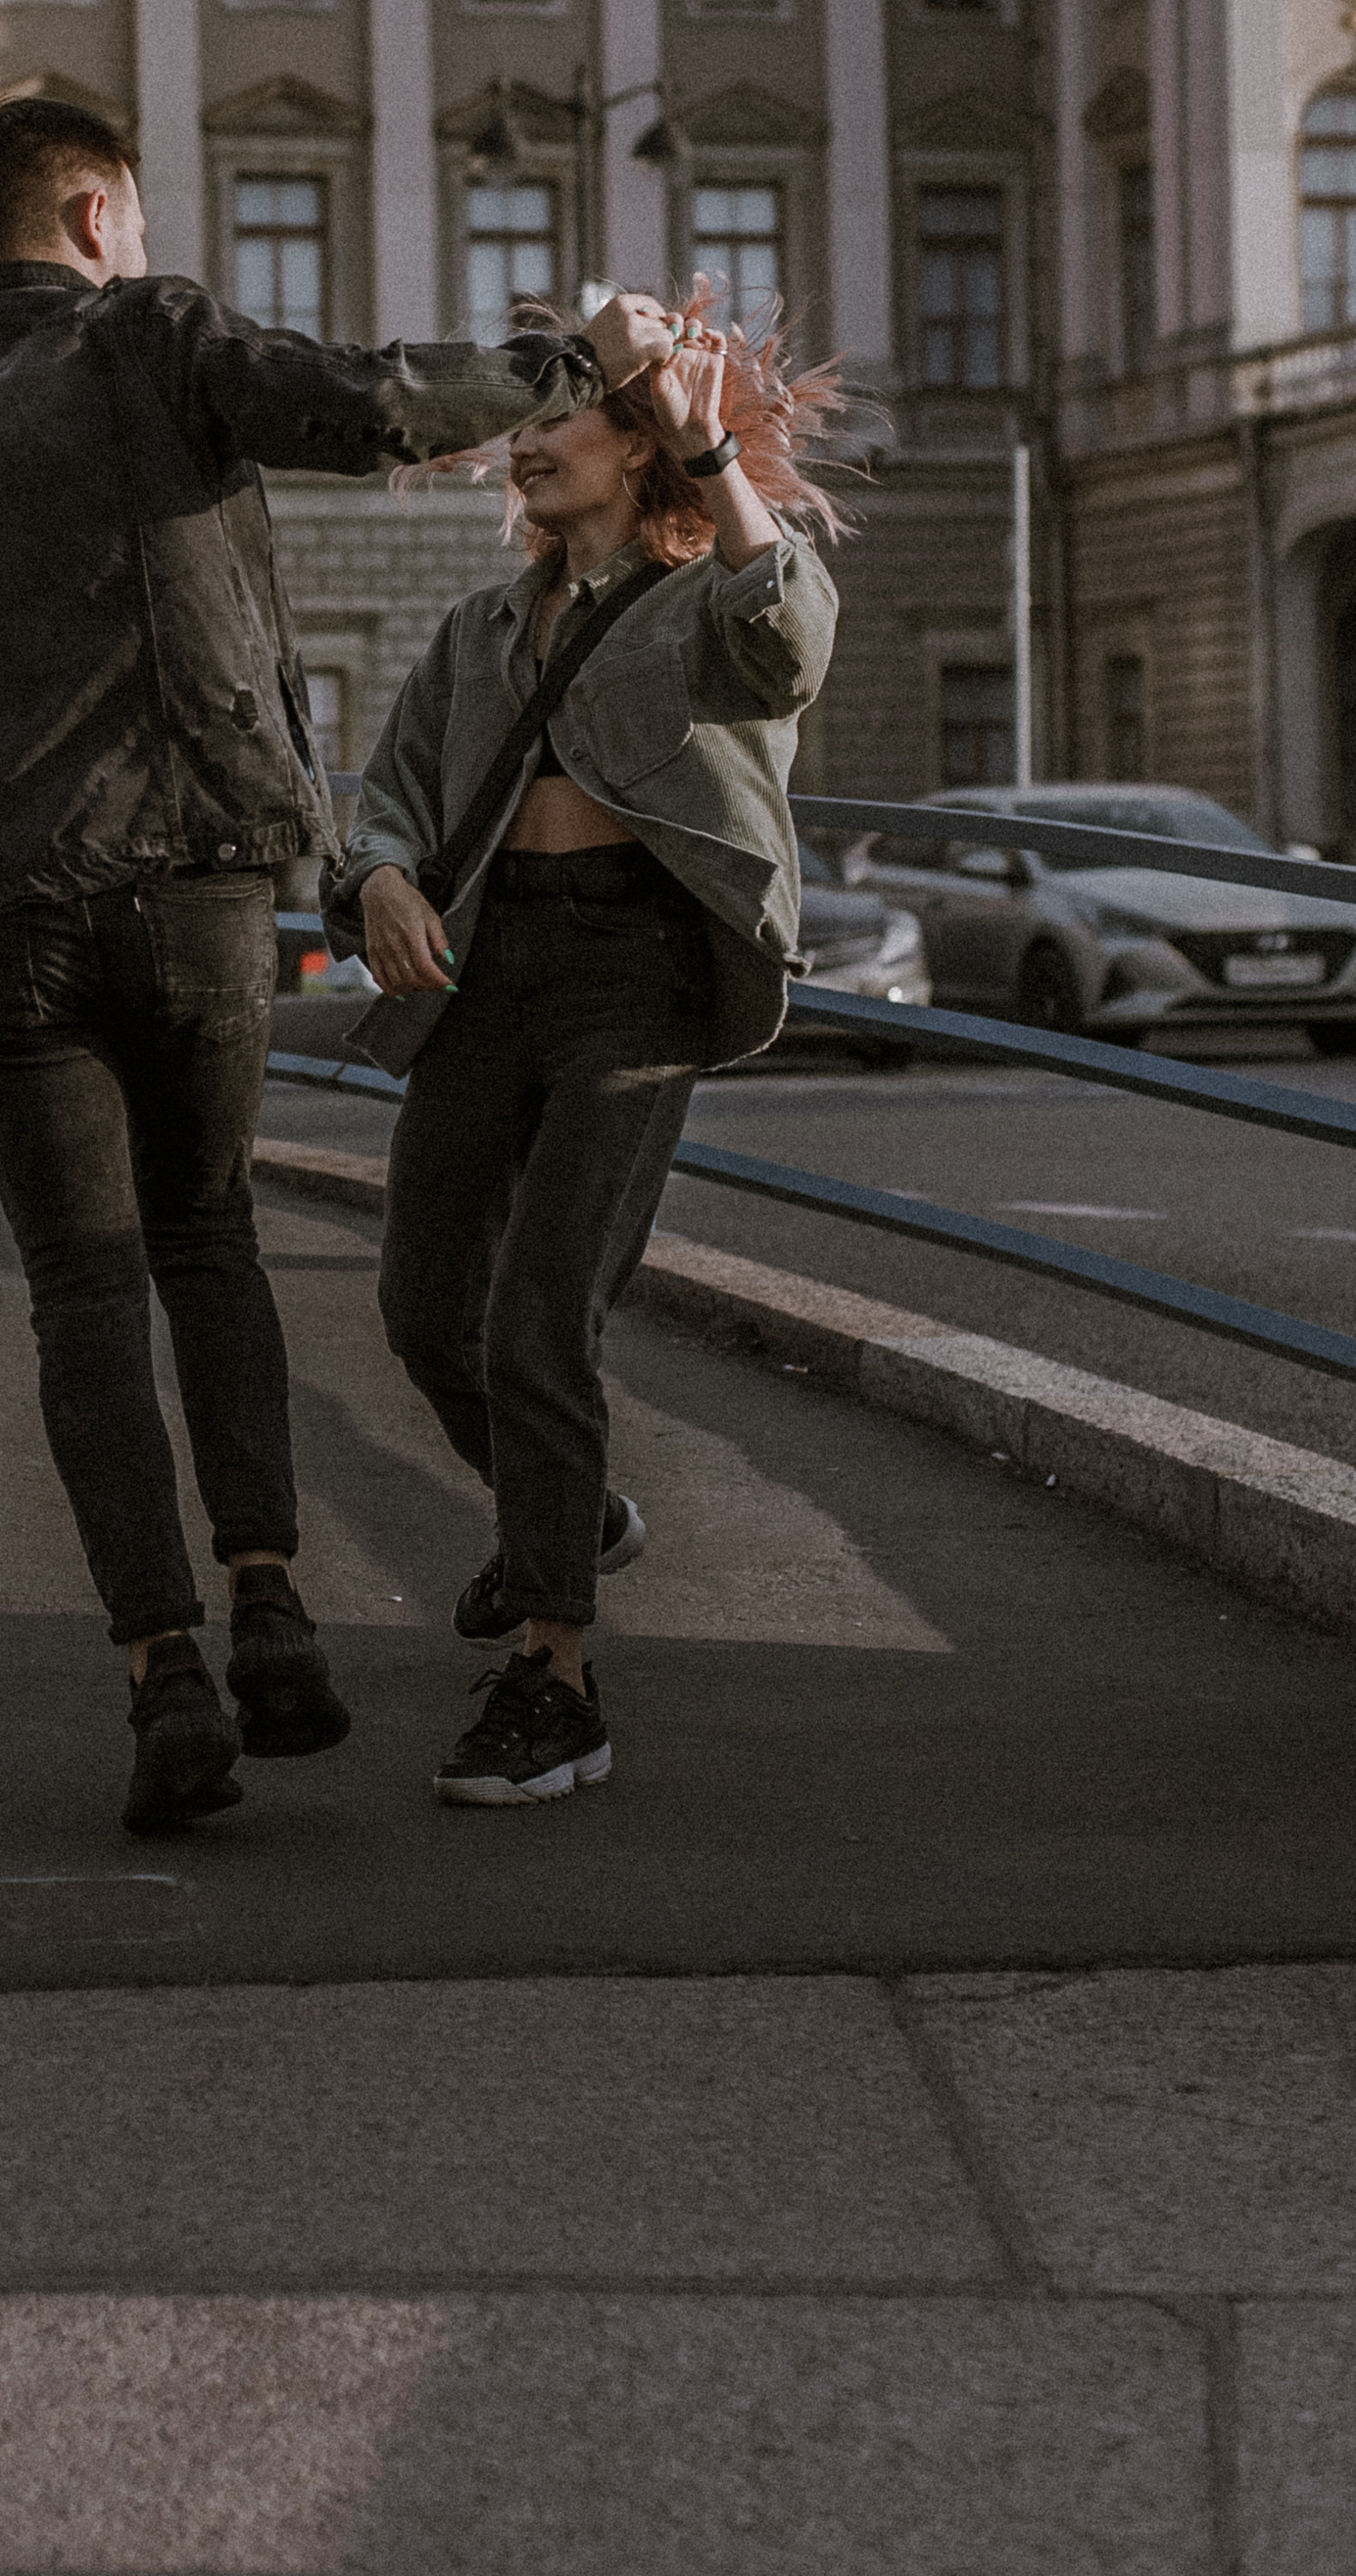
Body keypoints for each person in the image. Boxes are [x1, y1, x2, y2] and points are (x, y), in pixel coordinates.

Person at [0, 92, 680, 1836]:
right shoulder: (155, 336)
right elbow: (374, 407)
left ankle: (160, 1672)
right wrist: (561, 359)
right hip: (190, 883)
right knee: (207, 1237)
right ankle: (271, 1596)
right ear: (101, 211)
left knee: (81, 1288)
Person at [323, 294, 848, 1811]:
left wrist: (706, 437)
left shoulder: (706, 602)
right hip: (487, 976)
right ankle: (575, 1516)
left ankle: (556, 1679)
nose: (528, 443)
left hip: (636, 972)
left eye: (562, 416)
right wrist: (376, 877)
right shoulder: (481, 628)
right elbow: (392, 795)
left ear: (635, 448)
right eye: (522, 423)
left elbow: (795, 642)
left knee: (541, 1317)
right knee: (427, 1312)